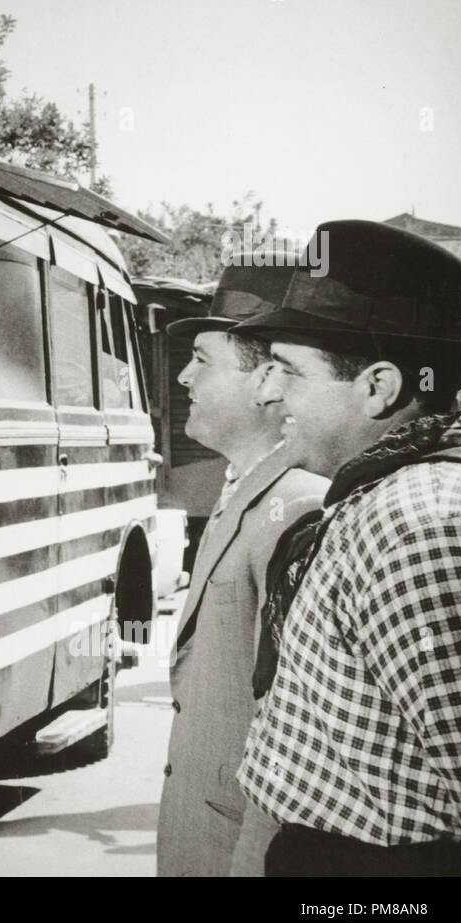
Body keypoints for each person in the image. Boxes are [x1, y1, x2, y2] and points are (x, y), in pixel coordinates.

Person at [233, 219, 461, 877]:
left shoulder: (416, 525)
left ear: (378, 386)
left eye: (287, 370)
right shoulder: (379, 498)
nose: (268, 391)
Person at [155, 262, 327, 877]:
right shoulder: (244, 492)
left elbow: (297, 731)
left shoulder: (297, 505)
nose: (183, 376)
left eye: (202, 359)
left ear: (267, 380)